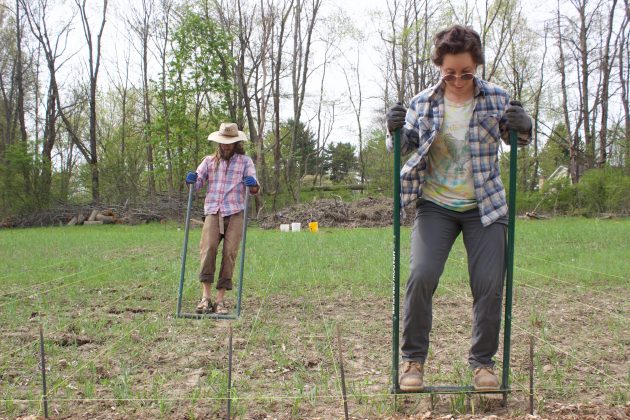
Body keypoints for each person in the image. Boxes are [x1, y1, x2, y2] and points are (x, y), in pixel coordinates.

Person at [385, 25, 532, 392]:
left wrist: (525, 127)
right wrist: (395, 133)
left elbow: (520, 140)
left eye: (466, 72)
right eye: (450, 73)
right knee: (421, 276)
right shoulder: (424, 102)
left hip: (485, 205)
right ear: (439, 67)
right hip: (435, 204)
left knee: (488, 284)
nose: (458, 80)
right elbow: (404, 148)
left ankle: (483, 364)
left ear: (477, 65)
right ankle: (412, 361)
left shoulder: (498, 98)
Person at [185, 122, 259, 315]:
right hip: (213, 211)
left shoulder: (245, 162)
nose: (226, 146)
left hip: (235, 212)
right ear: (219, 143)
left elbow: (254, 188)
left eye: (230, 142)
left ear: (236, 144)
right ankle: (205, 298)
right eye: (223, 142)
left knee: (229, 254)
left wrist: (252, 185)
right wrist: (191, 180)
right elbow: (198, 182)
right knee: (208, 249)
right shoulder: (209, 161)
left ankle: (220, 301)